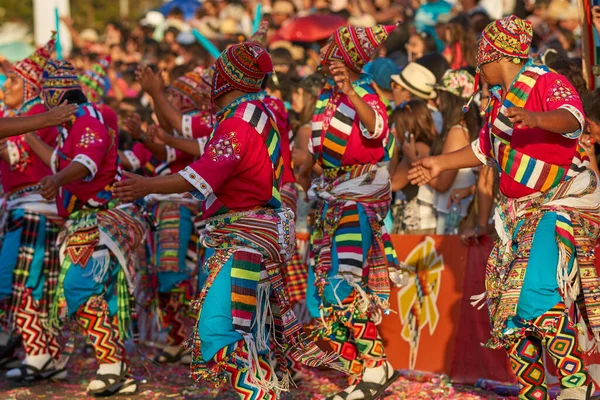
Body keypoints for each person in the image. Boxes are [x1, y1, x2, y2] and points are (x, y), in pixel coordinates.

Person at [114, 41, 337, 400]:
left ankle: (259, 395)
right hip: (252, 236)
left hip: (245, 240)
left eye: (218, 71)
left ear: (229, 79)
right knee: (250, 333)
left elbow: (202, 174)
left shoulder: (238, 124)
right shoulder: (250, 115)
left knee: (217, 332)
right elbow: (205, 155)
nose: (211, 78)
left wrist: (146, 185)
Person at [409, 16, 597, 400]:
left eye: (482, 58)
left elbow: (573, 119)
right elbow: (483, 150)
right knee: (508, 310)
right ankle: (533, 392)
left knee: (536, 292)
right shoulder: (497, 102)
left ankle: (575, 386)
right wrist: (440, 163)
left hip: (558, 204)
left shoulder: (546, 81)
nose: (478, 67)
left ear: (496, 55)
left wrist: (536, 118)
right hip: (518, 213)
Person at [26, 59, 147, 396]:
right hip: (92, 220)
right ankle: (117, 368)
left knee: (78, 287)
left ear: (56, 96)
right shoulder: (75, 125)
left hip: (106, 218)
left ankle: (111, 364)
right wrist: (27, 131)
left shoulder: (87, 119)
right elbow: (61, 161)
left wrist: (57, 179)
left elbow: (84, 164)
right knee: (102, 295)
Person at [298, 24, 403, 400]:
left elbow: (378, 131)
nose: (324, 56)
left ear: (348, 59)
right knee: (326, 294)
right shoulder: (326, 97)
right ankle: (361, 373)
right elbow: (319, 150)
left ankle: (377, 365)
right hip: (331, 196)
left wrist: (351, 92)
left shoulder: (366, 92)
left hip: (356, 199)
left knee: (344, 285)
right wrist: (303, 167)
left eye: (331, 50)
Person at [0, 35, 68, 381]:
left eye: (11, 80)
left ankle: (41, 354)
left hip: (34, 210)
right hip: (23, 209)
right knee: (31, 284)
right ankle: (46, 356)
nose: (4, 87)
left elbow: (16, 154)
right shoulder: (21, 115)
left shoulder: (38, 113)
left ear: (29, 85)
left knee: (25, 282)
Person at [429, 69, 480, 234]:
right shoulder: (464, 128)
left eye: (441, 96)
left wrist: (415, 159)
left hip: (453, 219)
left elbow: (443, 184)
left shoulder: (458, 131)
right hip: (456, 214)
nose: (437, 102)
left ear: (452, 100)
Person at [389, 100, 437, 234]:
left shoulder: (416, 148)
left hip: (417, 224)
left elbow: (393, 183)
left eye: (397, 125)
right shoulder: (424, 146)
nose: (393, 130)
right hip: (419, 221)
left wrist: (393, 150)